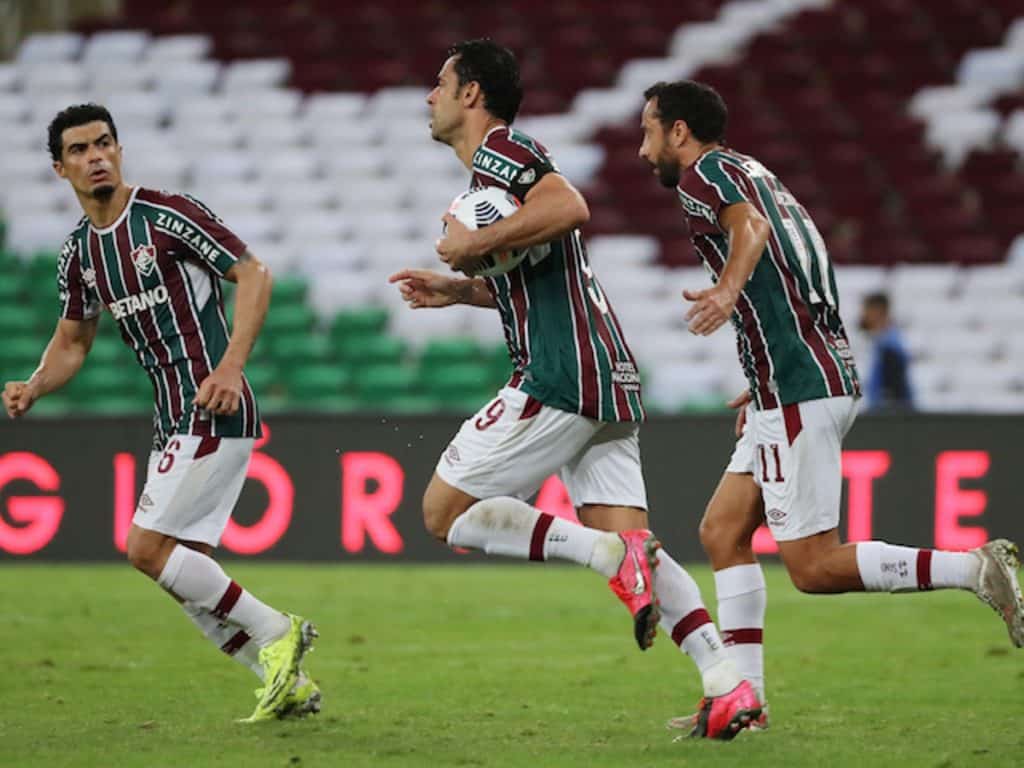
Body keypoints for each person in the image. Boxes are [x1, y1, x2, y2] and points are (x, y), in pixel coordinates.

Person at [388, 39, 760, 740]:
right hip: (605, 369)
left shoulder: (502, 151)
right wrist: (463, 289)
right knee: (638, 542)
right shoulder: (486, 186)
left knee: (444, 512)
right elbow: (541, 270)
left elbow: (570, 205)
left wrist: (467, 248)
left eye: (439, 83)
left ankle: (605, 558)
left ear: (472, 94)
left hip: (561, 372)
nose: (429, 97)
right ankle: (728, 684)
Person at [636, 79, 1024, 729]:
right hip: (792, 379)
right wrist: (765, 368)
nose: (643, 147)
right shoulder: (756, 171)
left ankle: (973, 567)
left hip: (797, 387)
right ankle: (744, 702)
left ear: (680, 131)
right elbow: (801, 267)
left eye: (649, 130)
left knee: (813, 567)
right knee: (723, 532)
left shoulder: (705, 176)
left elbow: (751, 232)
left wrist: (730, 292)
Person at [2, 104, 319, 722]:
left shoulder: (166, 215)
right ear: (59, 167)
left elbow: (253, 274)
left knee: (145, 549)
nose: (96, 157)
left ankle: (280, 630)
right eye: (79, 150)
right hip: (171, 417)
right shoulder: (80, 256)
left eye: (104, 144)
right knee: (180, 572)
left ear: (119, 150)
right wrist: (36, 385)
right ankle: (284, 684)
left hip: (212, 403)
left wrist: (229, 367)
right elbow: (72, 343)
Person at [859, 292, 914, 410]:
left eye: (866, 310)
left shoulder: (890, 346)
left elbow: (895, 387)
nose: (863, 315)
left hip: (889, 413)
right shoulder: (879, 341)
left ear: (877, 311)